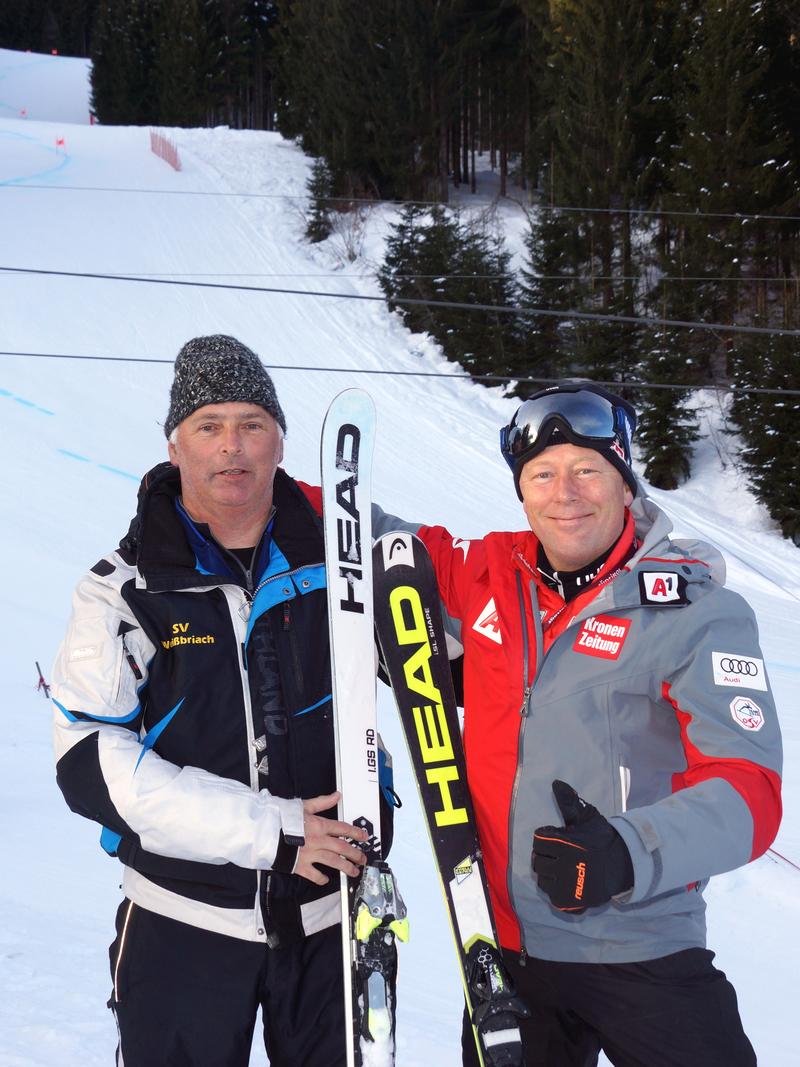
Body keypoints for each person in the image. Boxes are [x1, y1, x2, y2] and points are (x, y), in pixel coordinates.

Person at [374, 380, 782, 1067]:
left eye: (588, 469)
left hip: (643, 949)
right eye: (543, 474)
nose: (565, 492)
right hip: (502, 954)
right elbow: (362, 531)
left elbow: (750, 792)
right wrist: (235, 471)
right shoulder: (488, 574)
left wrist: (626, 849)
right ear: (522, 491)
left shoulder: (698, 613)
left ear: (625, 484)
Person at [51, 335, 395, 1067]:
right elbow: (90, 765)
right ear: (176, 447)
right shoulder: (123, 590)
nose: (231, 447)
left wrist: (378, 785)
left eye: (252, 424)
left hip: (329, 928)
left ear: (280, 440)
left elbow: (419, 669)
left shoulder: (343, 562)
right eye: (209, 426)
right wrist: (272, 830)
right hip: (183, 929)